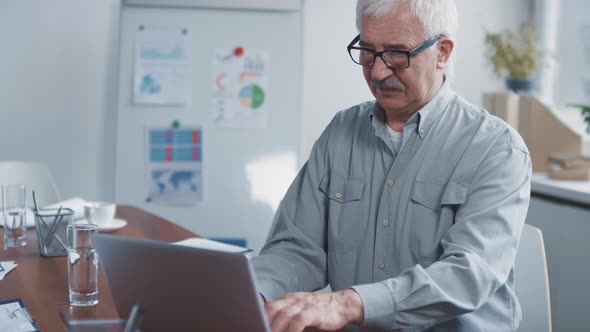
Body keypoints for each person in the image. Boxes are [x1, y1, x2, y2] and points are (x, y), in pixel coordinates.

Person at [251, 0, 532, 331]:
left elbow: (467, 276)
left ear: (442, 52)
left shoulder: (496, 149)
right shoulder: (340, 134)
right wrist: (252, 292)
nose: (378, 71)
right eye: (367, 51)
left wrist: (347, 303)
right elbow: (297, 249)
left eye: (398, 54)